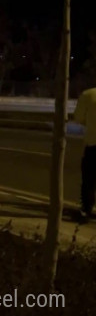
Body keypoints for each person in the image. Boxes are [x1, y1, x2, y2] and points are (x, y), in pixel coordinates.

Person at [74, 86, 96, 222]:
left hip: (94, 143)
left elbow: (79, 118)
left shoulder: (88, 94)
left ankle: (86, 209)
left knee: (89, 178)